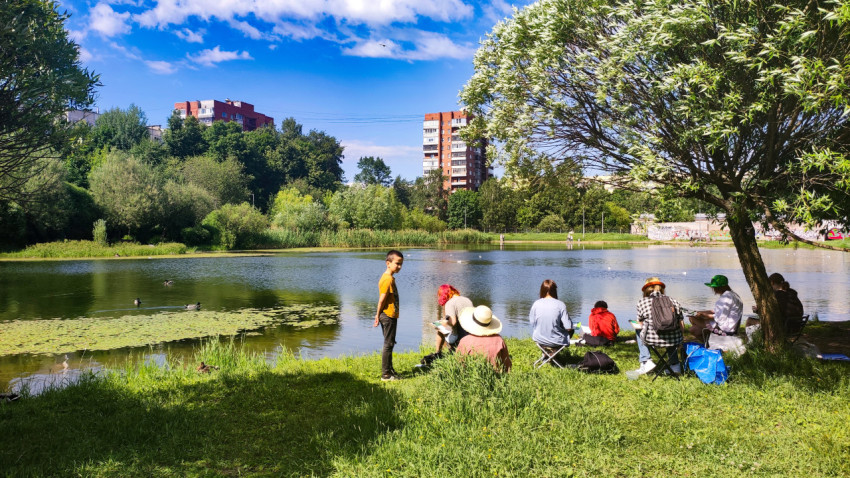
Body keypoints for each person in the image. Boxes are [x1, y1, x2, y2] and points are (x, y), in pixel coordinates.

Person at [633, 277, 684, 375]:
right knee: (670, 328)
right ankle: (675, 365)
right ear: (661, 288)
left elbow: (640, 323)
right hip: (674, 340)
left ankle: (646, 361)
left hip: (651, 339)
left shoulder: (642, 302)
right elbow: (680, 323)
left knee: (638, 329)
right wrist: (681, 338)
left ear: (646, 289)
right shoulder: (674, 301)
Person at [374, 250, 403, 381]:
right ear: (388, 263)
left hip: (389, 315)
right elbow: (382, 299)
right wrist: (377, 315)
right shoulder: (387, 279)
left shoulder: (389, 278)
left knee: (390, 343)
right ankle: (386, 374)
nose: (399, 267)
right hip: (387, 315)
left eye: (401, 264)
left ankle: (390, 370)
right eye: (397, 264)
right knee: (388, 344)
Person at [457, 305, 512, 372]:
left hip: (470, 376)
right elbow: (506, 365)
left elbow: (459, 363)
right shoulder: (499, 340)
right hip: (495, 377)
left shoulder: (465, 341)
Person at [529, 279, 572, 362]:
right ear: (555, 291)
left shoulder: (536, 303)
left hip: (539, 339)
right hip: (556, 341)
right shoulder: (560, 304)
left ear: (542, 290)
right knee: (571, 330)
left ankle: (546, 354)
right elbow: (568, 327)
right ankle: (553, 353)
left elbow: (532, 323)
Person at [690, 274, 743, 339]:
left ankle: (709, 341)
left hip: (724, 328)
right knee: (695, 325)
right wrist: (699, 312)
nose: (713, 289)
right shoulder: (733, 295)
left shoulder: (726, 297)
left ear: (719, 288)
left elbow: (720, 318)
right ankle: (708, 339)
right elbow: (716, 311)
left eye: (714, 287)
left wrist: (704, 315)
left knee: (692, 319)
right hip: (731, 326)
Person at [433, 284, 473, 353]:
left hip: (458, 336)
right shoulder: (467, 300)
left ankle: (437, 353)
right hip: (470, 333)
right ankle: (451, 350)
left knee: (439, 327)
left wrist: (444, 322)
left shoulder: (450, 303)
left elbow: (453, 322)